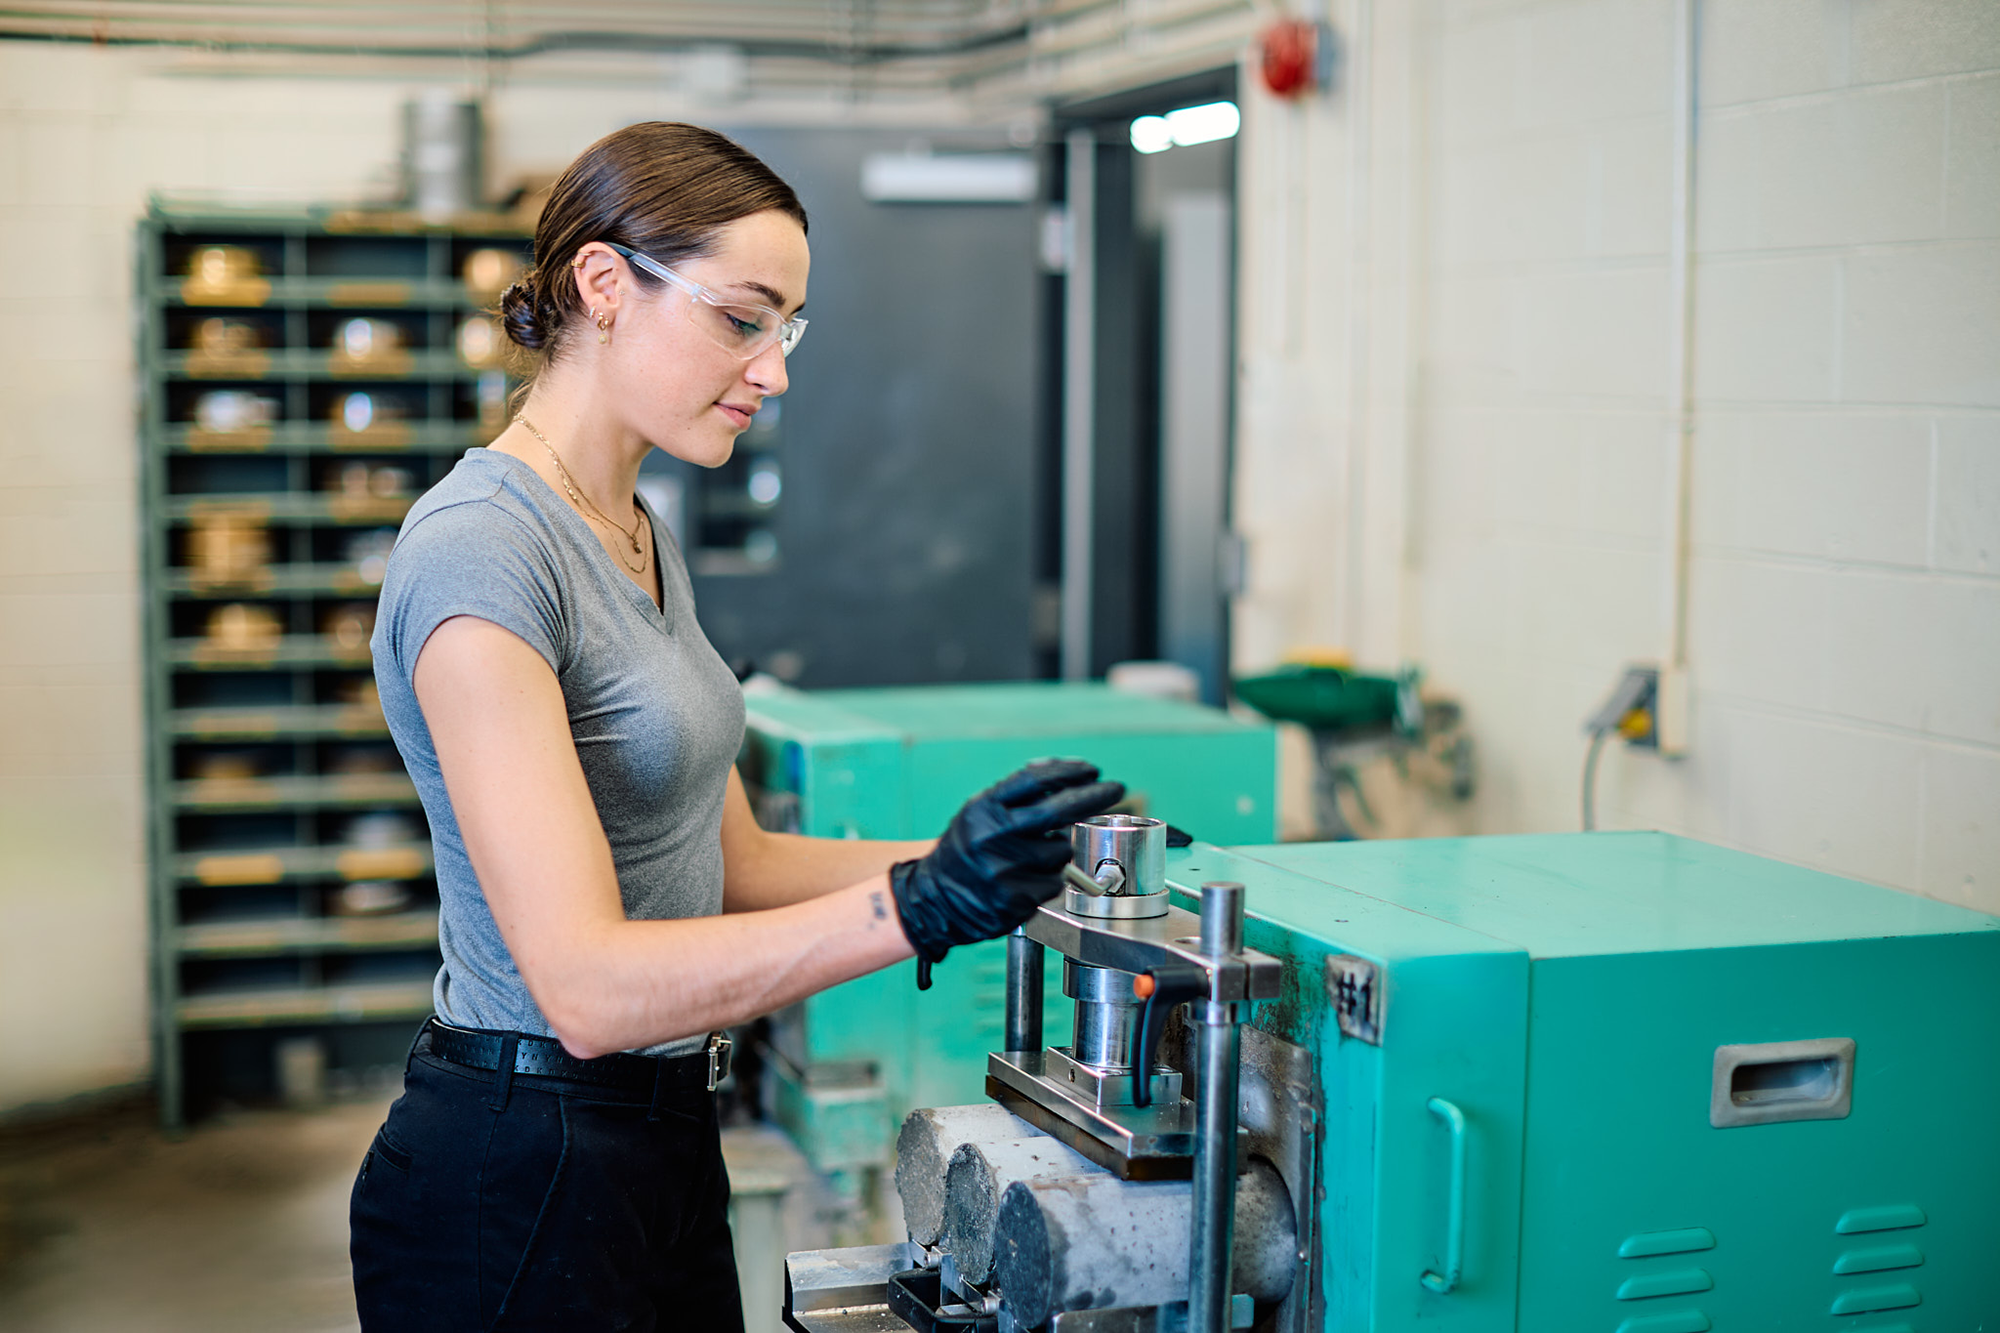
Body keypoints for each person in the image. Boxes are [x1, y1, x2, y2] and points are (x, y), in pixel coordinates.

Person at [347, 121, 1122, 1331]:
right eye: (742, 318)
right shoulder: (480, 556)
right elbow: (588, 989)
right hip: (517, 1170)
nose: (774, 369)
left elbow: (738, 865)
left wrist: (991, 870)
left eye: (786, 329)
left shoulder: (637, 527)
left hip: (655, 1139)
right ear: (604, 285)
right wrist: (916, 908)